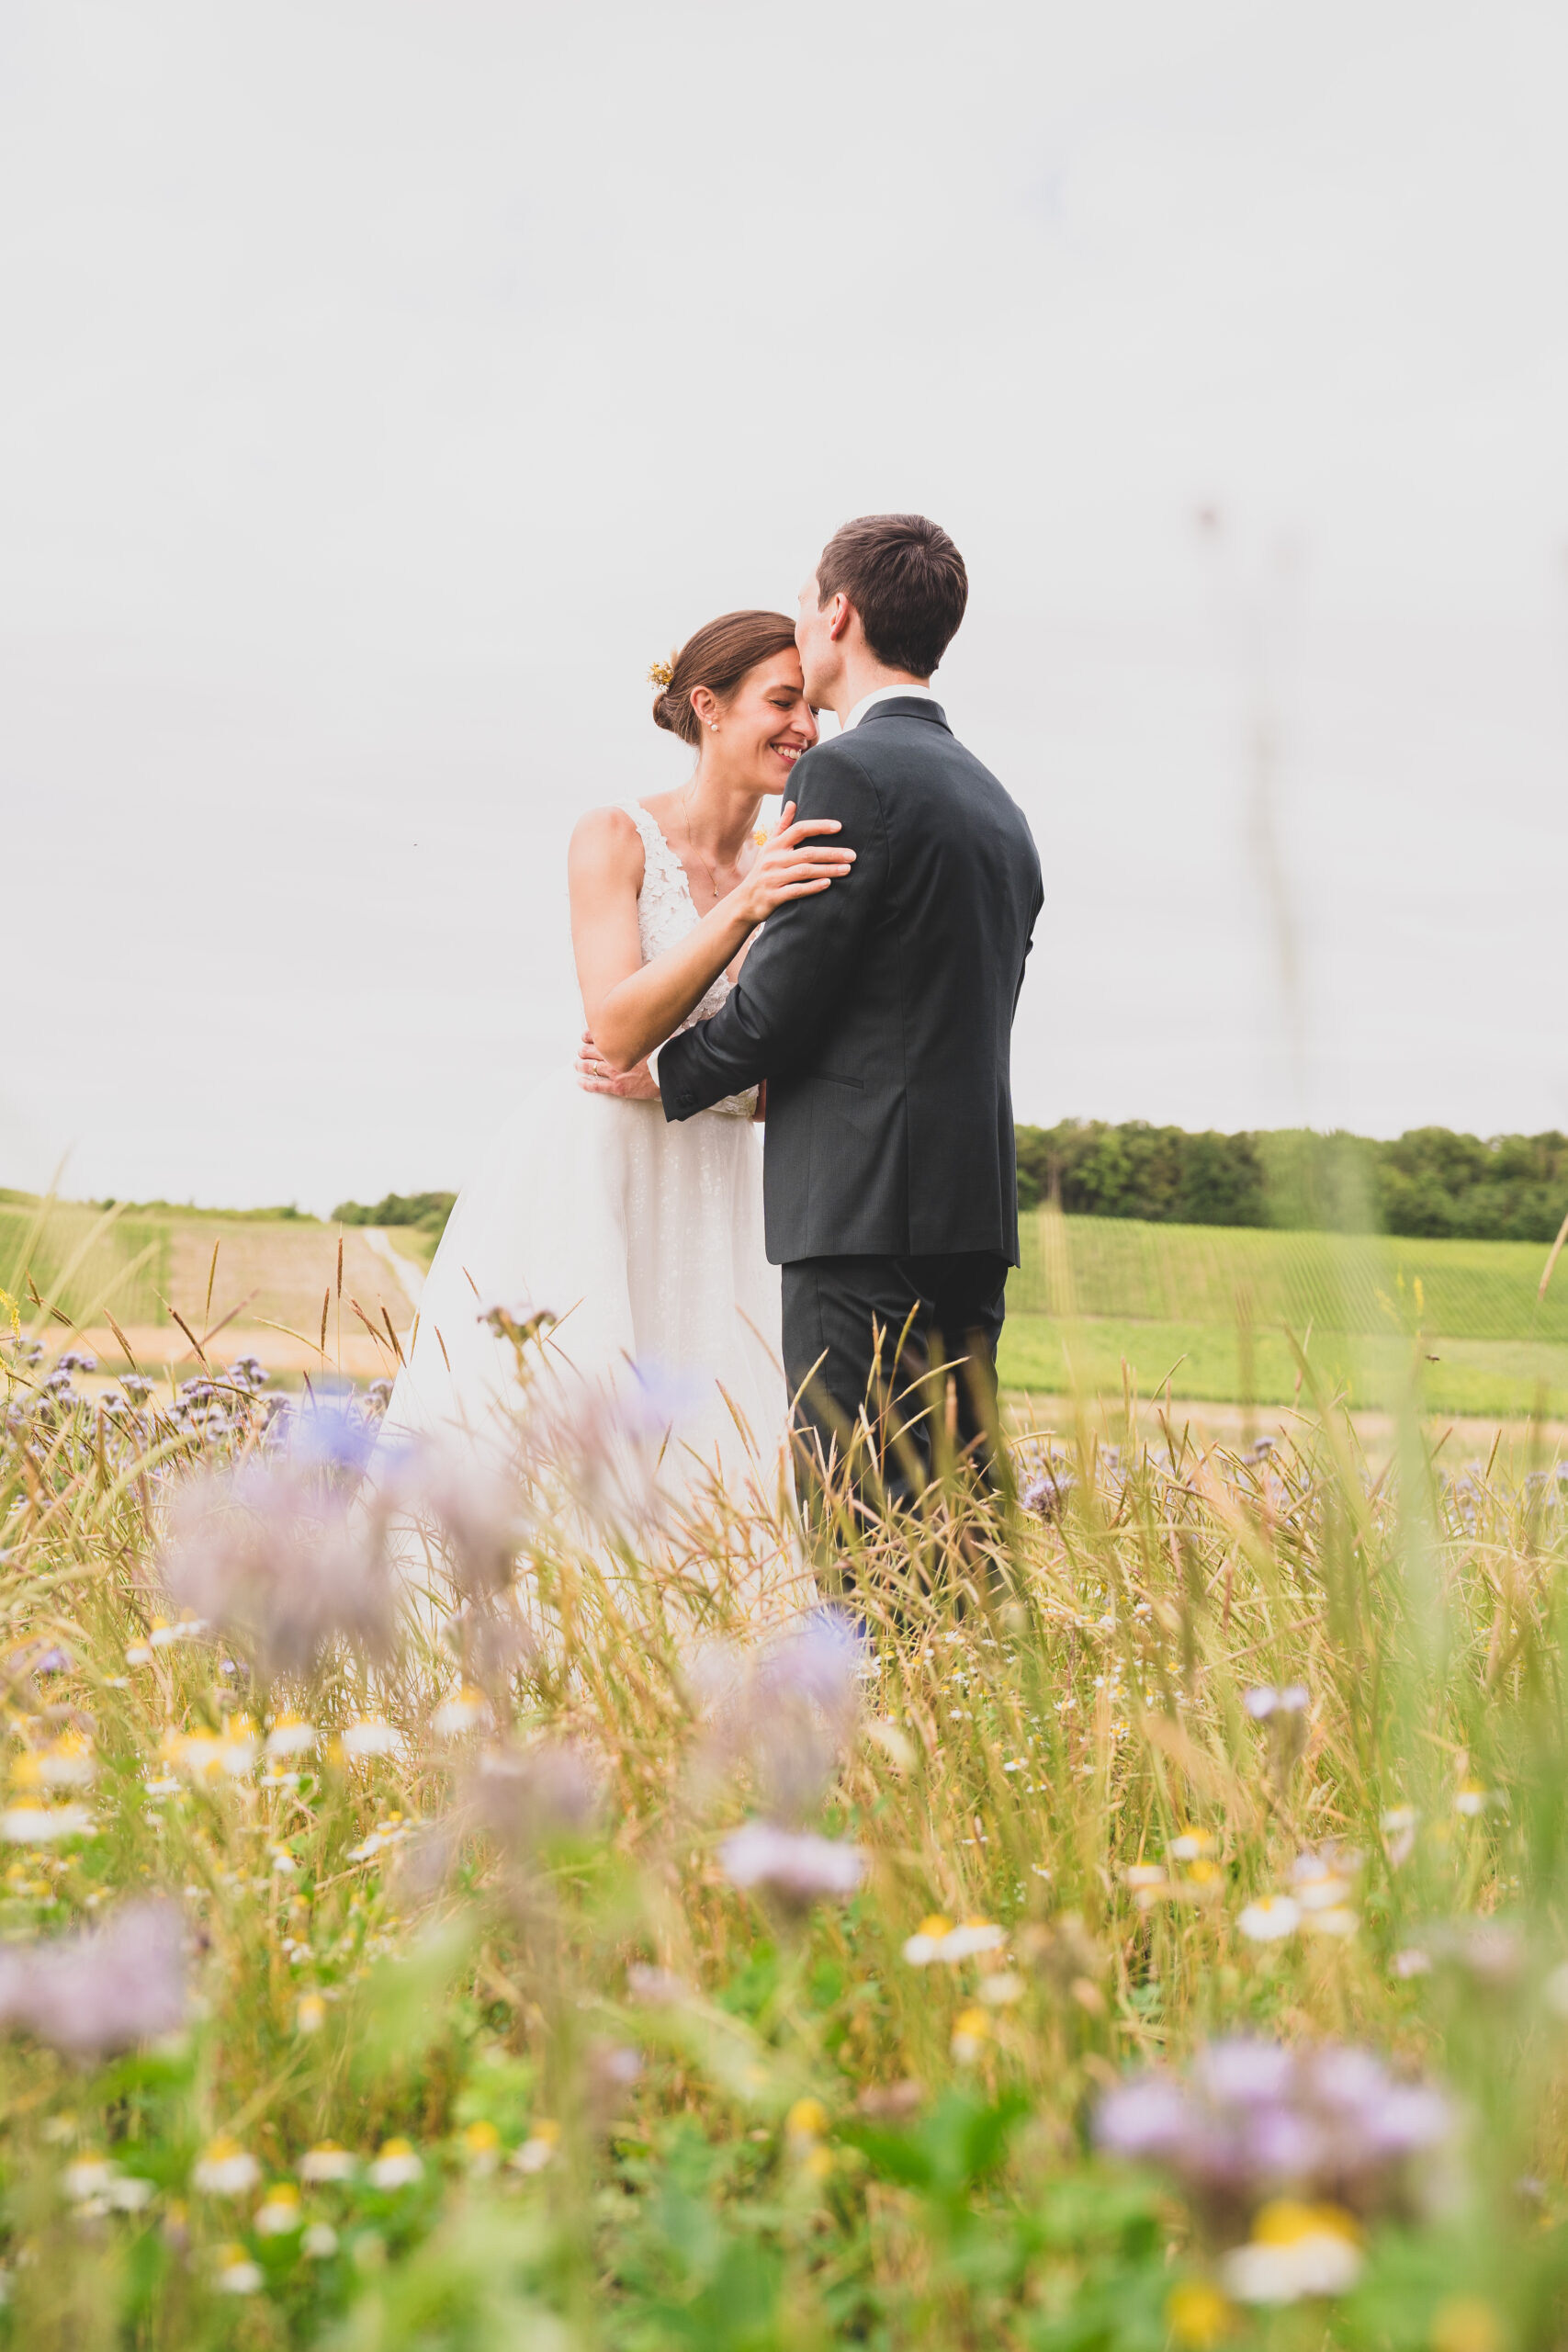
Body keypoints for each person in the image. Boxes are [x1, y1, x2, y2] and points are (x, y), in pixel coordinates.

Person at [376, 610, 853, 1512]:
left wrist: (701, 1084)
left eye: (812, 708)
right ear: (707, 707)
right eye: (782, 701)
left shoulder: (791, 859)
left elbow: (795, 1066)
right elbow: (617, 1024)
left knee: (719, 1431)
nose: (804, 726)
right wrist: (747, 905)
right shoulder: (616, 835)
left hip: (728, 1183)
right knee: (569, 1433)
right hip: (602, 1164)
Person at [637, 515, 1044, 1525]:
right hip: (970, 1215)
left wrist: (665, 1074)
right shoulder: (997, 804)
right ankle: (964, 1689)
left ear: (838, 613)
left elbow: (780, 997)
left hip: (861, 1213)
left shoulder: (847, 774)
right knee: (961, 1522)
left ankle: (879, 1688)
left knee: (859, 1525)